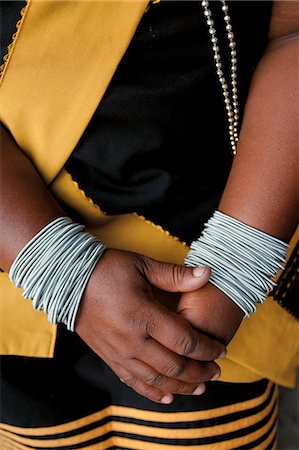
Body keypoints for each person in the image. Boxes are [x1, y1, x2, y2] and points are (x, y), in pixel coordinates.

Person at [0, 0, 298, 449]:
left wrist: (237, 263)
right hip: (13, 266)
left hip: (218, 278)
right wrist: (60, 268)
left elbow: (293, 31)